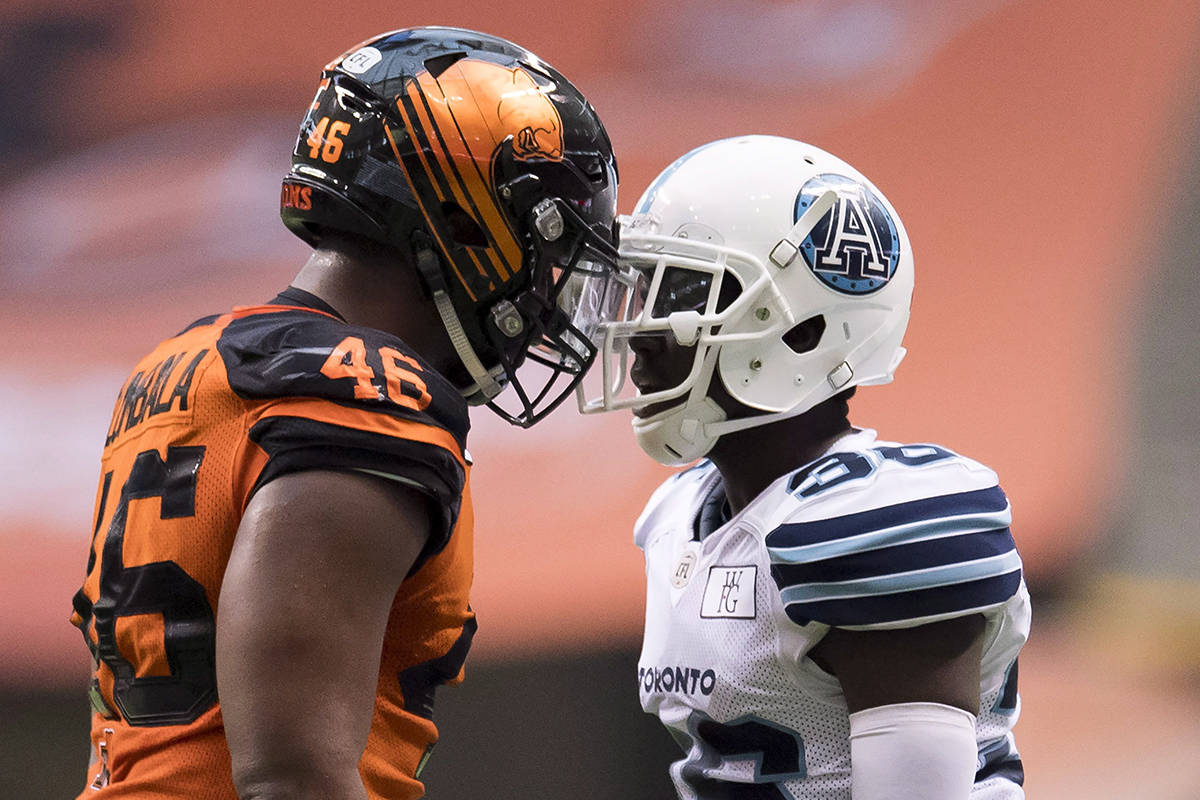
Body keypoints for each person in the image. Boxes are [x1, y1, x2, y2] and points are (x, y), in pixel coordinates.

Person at [68, 26, 618, 800]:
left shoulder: (185, 362)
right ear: (463, 215)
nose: (548, 283)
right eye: (545, 236)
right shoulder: (370, 397)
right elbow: (294, 776)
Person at [570, 135, 1028, 799]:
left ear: (803, 330)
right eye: (643, 287)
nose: (640, 326)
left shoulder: (868, 524)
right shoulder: (680, 515)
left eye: (680, 291)